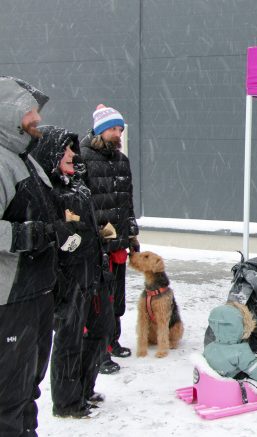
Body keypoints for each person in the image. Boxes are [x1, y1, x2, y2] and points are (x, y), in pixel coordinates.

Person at [0, 76, 64, 435]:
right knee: (8, 397)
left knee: (28, 391)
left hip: (37, 294)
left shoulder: (27, 160)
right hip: (9, 302)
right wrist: (31, 233)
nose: (37, 118)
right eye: (30, 112)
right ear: (8, 112)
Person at [29, 126, 104, 418]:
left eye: (73, 149)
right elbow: (58, 241)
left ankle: (84, 389)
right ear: (51, 155)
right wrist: (71, 235)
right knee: (69, 340)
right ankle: (67, 403)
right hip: (69, 280)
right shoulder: (48, 191)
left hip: (92, 273)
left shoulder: (78, 184)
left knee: (100, 331)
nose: (73, 154)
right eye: (66, 150)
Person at [80, 104, 139, 374]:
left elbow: (126, 201)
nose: (118, 134)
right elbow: (80, 202)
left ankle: (112, 341)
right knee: (99, 300)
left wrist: (132, 232)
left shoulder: (121, 160)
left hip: (119, 243)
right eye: (113, 129)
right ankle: (98, 351)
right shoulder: (83, 157)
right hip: (96, 244)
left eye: (120, 129)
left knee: (116, 297)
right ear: (101, 130)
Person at [204, 302, 257, 381]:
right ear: (242, 327)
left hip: (230, 373)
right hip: (240, 379)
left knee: (249, 362)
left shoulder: (209, 348)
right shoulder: (240, 351)